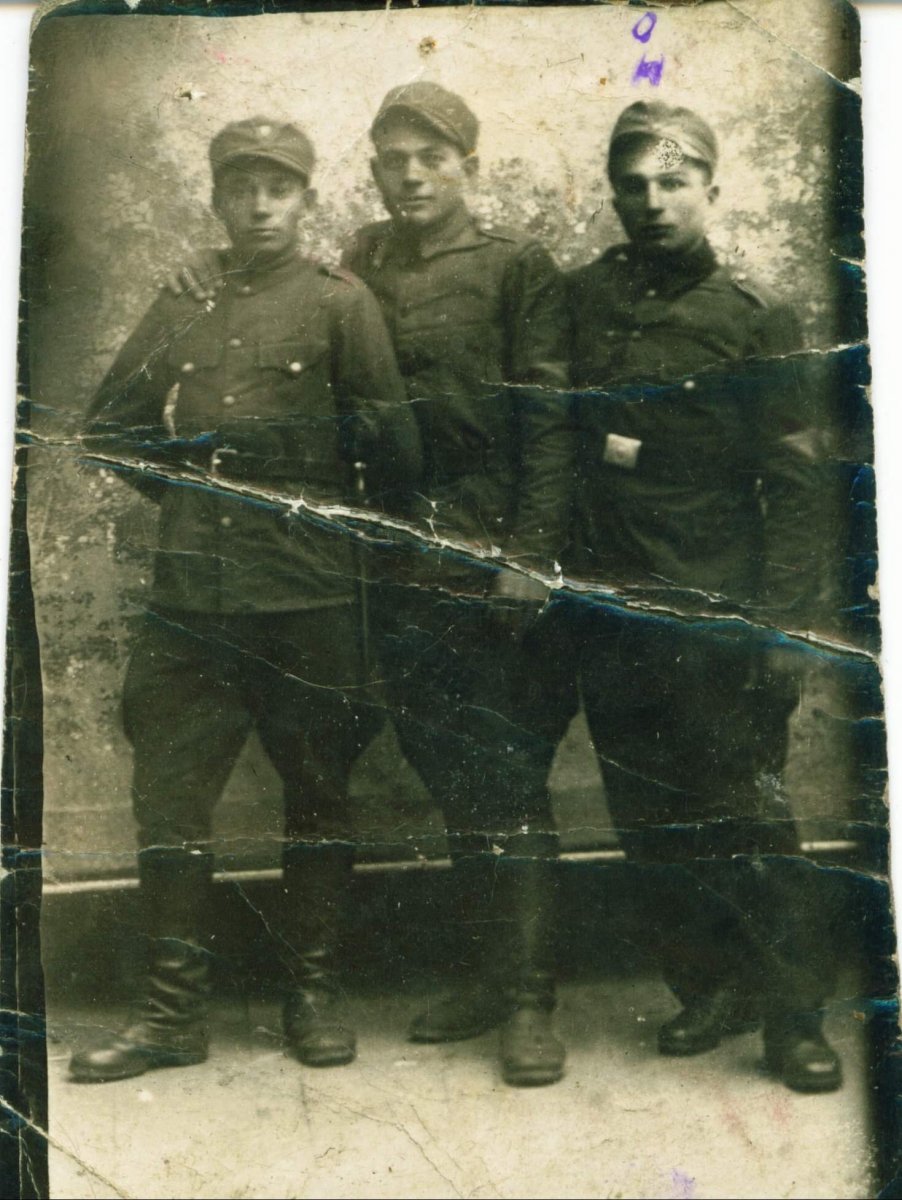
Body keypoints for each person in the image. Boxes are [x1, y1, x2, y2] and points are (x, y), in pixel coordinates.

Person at [168, 84, 574, 1089]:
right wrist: (202, 266)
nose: (411, 177)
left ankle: (530, 1002)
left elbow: (549, 420)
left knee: (505, 772)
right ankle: (487, 980)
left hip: (484, 548)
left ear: (470, 167)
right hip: (384, 559)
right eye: (393, 159)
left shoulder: (515, 267)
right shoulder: (360, 258)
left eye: (432, 158)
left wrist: (528, 554)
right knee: (444, 768)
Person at [69, 117, 421, 1083]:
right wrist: (190, 497)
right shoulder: (184, 297)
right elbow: (110, 427)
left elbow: (394, 450)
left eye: (279, 188)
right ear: (218, 199)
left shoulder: (341, 302)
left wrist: (317, 521)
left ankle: (313, 996)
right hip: (193, 601)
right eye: (242, 188)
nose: (260, 206)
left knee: (319, 793)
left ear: (307, 199)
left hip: (309, 596)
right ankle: (171, 1016)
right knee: (169, 799)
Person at [563, 100, 841, 1092]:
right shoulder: (582, 301)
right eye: (633, 185)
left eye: (672, 182)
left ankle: (794, 1019)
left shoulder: (754, 315)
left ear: (710, 191)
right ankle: (710, 988)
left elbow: (799, 488)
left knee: (748, 821)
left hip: (717, 611)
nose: (651, 201)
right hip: (611, 612)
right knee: (647, 819)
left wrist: (783, 629)